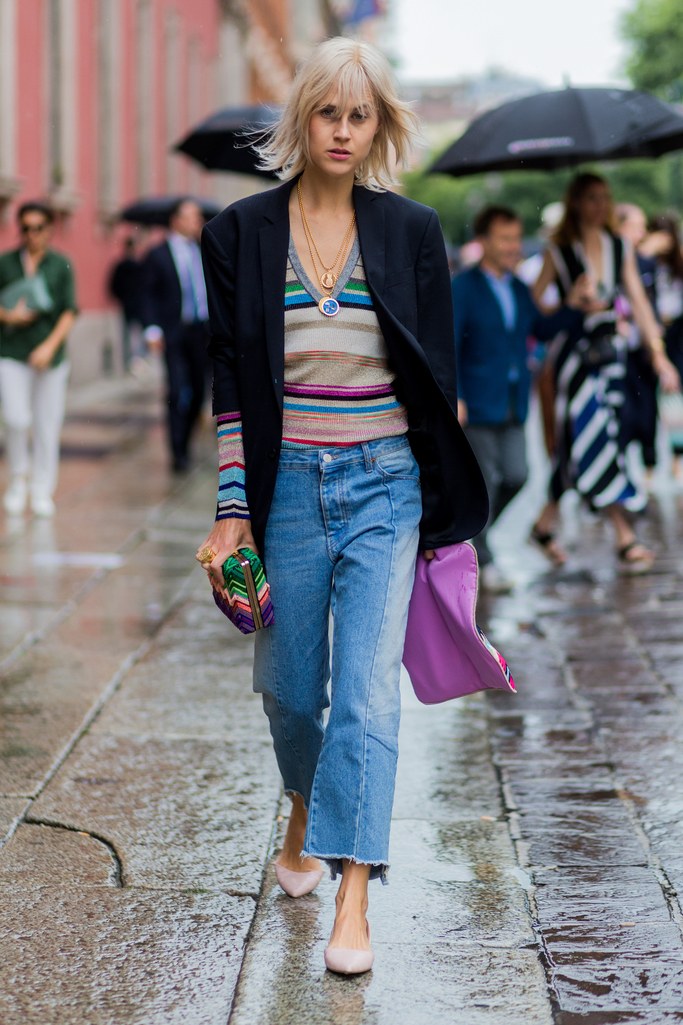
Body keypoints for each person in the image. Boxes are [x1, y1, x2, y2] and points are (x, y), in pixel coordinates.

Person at [195, 37, 487, 976]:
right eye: (328, 112)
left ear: (379, 126)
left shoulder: (412, 232)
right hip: (284, 489)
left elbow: (436, 381)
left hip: (384, 485)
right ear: (302, 116)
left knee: (366, 693)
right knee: (289, 691)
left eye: (360, 116)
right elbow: (231, 383)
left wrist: (440, 504)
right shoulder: (239, 233)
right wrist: (231, 508)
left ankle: (353, 888)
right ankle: (302, 806)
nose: (343, 131)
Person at [531, 173, 679, 573]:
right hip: (575, 358)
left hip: (612, 357)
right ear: (577, 203)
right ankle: (624, 535)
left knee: (579, 440)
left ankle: (544, 524)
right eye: (592, 198)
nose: (600, 205)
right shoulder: (559, 251)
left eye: (605, 198)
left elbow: (640, 303)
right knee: (599, 436)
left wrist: (658, 353)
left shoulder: (618, 246)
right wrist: (569, 302)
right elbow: (534, 306)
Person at [452, 205, 588, 589]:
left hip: (514, 401)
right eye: (505, 239)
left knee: (518, 475)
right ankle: (484, 559)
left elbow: (541, 329)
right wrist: (456, 395)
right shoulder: (463, 288)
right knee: (486, 482)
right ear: (483, 242)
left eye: (516, 238)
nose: (514, 246)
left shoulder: (517, 288)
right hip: (477, 402)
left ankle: (470, 538)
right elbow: (450, 345)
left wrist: (574, 305)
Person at [0, 201, 78, 517]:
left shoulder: (60, 264)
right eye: (26, 228)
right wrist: (9, 316)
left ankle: (42, 488)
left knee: (47, 424)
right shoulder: (6, 263)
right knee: (16, 419)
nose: (32, 234)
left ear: (49, 229)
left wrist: (49, 348)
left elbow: (69, 311)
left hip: (51, 356)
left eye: (38, 228)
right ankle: (18, 479)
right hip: (11, 350)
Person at [140, 198, 209, 473]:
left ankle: (186, 442)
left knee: (199, 391)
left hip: (202, 331)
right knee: (178, 390)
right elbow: (146, 294)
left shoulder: (203, 250)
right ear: (176, 220)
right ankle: (177, 451)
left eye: (198, 216)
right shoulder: (157, 254)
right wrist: (152, 328)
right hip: (174, 331)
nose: (197, 222)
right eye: (192, 216)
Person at [615, 203, 660, 474]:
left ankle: (648, 475)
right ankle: (618, 476)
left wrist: (656, 349)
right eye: (636, 227)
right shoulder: (608, 259)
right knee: (623, 415)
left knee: (647, 412)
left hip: (640, 350)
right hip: (614, 354)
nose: (642, 234)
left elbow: (646, 305)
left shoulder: (646, 262)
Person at [107, 236, 145, 373]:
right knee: (136, 335)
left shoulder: (123, 266)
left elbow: (114, 286)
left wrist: (123, 298)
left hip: (129, 305)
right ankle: (136, 362)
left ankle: (130, 363)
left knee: (128, 336)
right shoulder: (138, 266)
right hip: (136, 306)